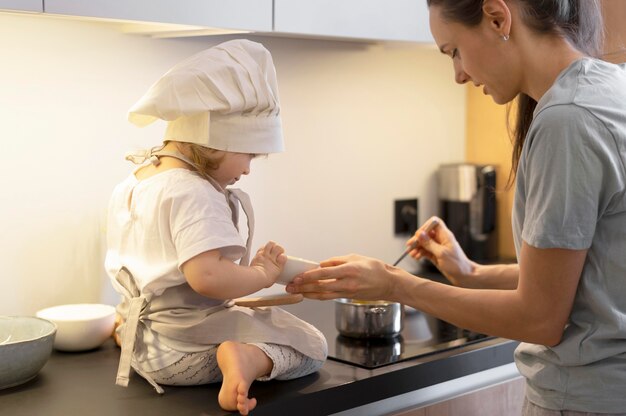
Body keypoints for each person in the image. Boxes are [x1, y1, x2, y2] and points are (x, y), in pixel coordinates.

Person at [287, 1, 626, 414]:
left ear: (498, 18)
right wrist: (469, 274)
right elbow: (589, 275)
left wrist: (396, 284)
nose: (459, 74)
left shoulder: (567, 121)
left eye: (453, 51)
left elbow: (540, 319)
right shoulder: (609, 87)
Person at [105, 39, 327, 416]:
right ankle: (244, 359)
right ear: (217, 141)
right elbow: (207, 277)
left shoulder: (136, 181)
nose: (248, 169)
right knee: (311, 345)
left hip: (144, 348)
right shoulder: (195, 192)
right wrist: (260, 273)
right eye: (249, 154)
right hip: (184, 356)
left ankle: (234, 352)